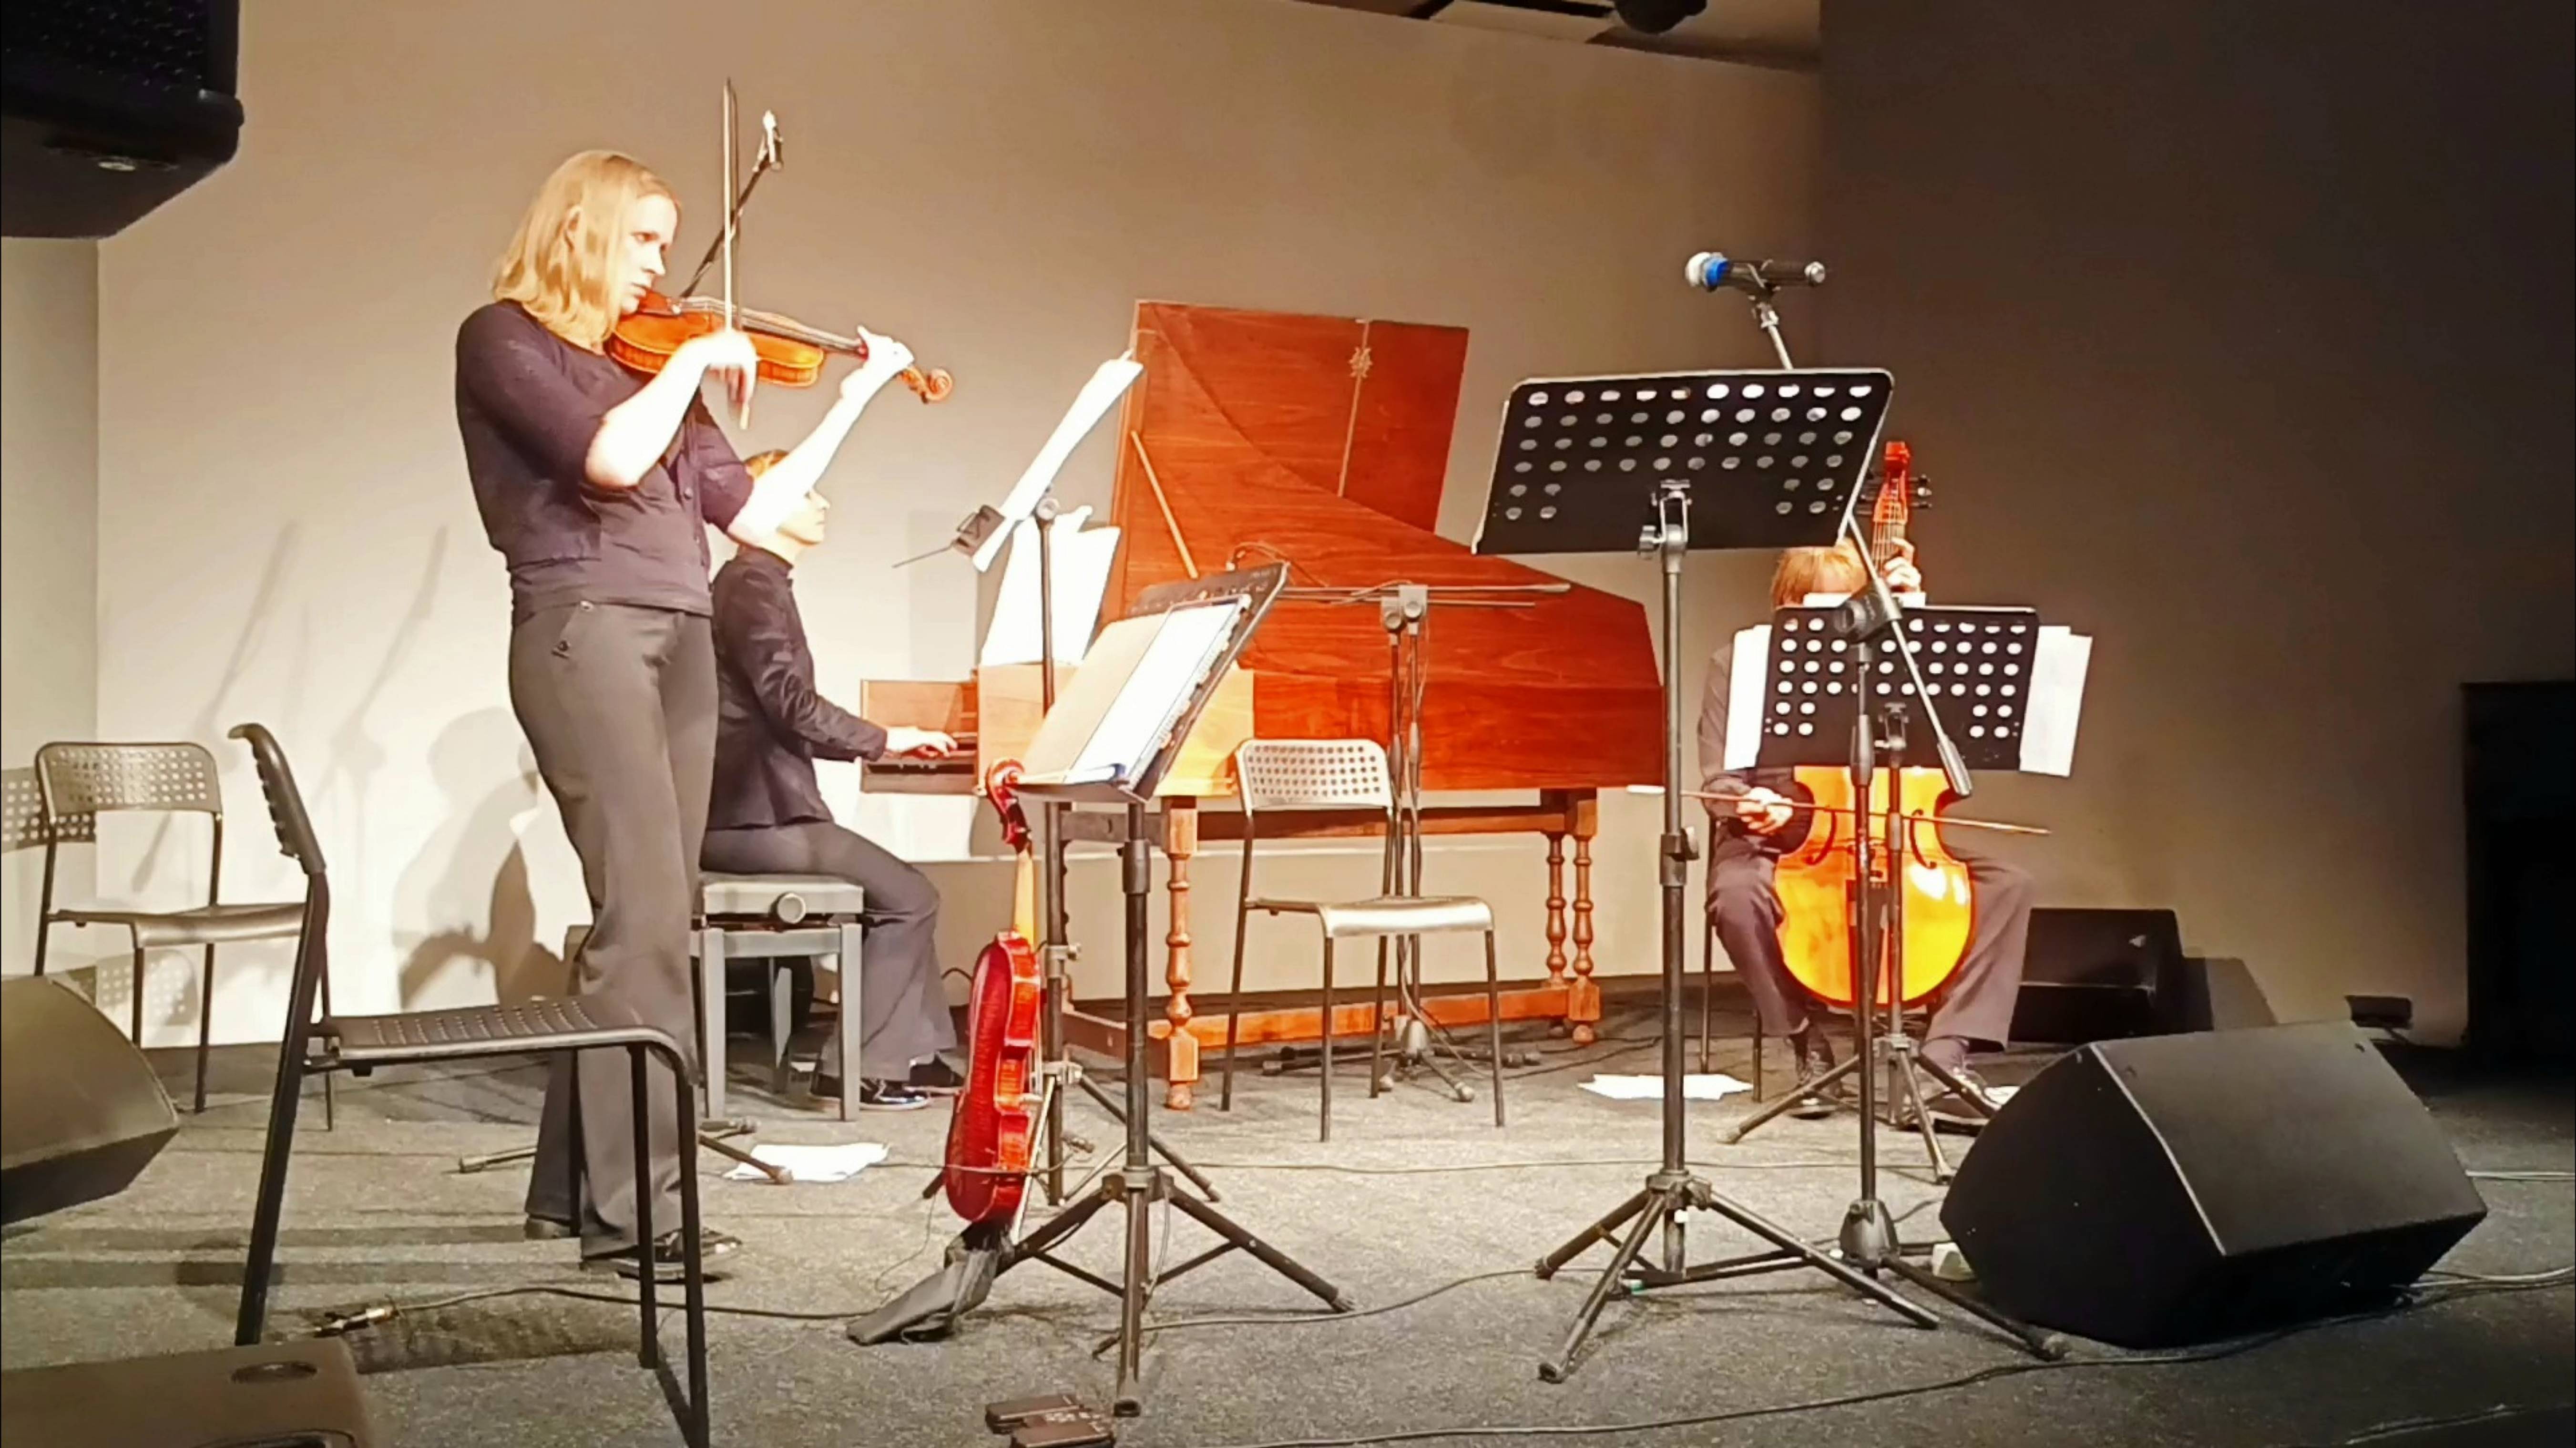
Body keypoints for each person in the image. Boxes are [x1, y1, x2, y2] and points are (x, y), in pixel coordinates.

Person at [456, 149, 917, 1279]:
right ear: (582, 232)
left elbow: (758, 514)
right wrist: (688, 363)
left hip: (679, 643)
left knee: (651, 916)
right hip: (585, 629)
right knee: (647, 920)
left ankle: (569, 1190)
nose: (660, 266)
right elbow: (609, 460)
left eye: (668, 243)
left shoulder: (655, 365)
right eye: (645, 240)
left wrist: (851, 399)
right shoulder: (506, 338)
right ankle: (640, 1214)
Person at [1696, 539, 2033, 1126]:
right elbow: (1718, 779)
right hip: (1779, 836)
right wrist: (1748, 802)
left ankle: (1943, 1057)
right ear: (1787, 608)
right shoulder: (1740, 664)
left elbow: (1948, 766)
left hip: (1884, 833)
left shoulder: (1899, 662)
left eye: (1846, 609)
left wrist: (1914, 621)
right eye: (1816, 612)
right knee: (1736, 895)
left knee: (2005, 884)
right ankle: (1806, 1044)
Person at [702, 450, 962, 1110]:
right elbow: (790, 702)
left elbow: (783, 708)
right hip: (750, 819)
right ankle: (859, 1067)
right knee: (910, 896)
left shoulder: (758, 582)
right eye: (807, 493)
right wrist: (883, 738)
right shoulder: (750, 585)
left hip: (758, 812)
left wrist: (884, 740)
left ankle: (914, 1052)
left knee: (905, 889)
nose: (822, 504)